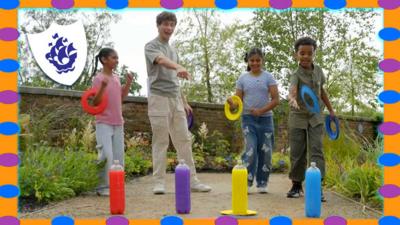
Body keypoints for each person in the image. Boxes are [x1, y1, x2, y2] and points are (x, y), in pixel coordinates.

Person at [144, 11, 211, 194]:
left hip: (175, 99)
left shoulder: (174, 51)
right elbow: (161, 61)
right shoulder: (151, 46)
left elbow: (175, 79)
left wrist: (184, 101)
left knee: (184, 140)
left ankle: (193, 181)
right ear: (158, 26)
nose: (169, 28)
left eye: (172, 24)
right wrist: (178, 66)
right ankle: (159, 182)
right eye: (165, 24)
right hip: (158, 98)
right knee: (161, 141)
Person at [286, 37, 335, 201]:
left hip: (316, 116)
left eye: (309, 53)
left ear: (314, 53)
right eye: (302, 53)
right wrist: (292, 99)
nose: (306, 56)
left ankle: (317, 187)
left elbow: (322, 91)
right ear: (296, 55)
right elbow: (292, 90)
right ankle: (296, 185)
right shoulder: (295, 74)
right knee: (297, 151)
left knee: (317, 149)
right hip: (298, 115)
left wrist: (331, 110)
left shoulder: (319, 71)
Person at [228, 47, 279, 193]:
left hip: (266, 120)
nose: (255, 63)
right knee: (250, 149)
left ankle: (262, 183)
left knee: (266, 152)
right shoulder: (242, 78)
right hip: (248, 119)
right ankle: (246, 182)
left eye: (258, 60)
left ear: (262, 60)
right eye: (252, 60)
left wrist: (261, 111)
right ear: (248, 61)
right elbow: (237, 102)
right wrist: (231, 103)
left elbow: (276, 100)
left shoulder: (268, 77)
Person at [91, 47, 133, 196]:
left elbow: (120, 98)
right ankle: (103, 187)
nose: (117, 60)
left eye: (117, 58)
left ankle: (117, 185)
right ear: (104, 59)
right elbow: (95, 102)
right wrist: (102, 87)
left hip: (118, 122)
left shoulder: (116, 78)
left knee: (118, 156)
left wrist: (128, 84)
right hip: (103, 122)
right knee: (105, 155)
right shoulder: (98, 79)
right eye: (114, 58)